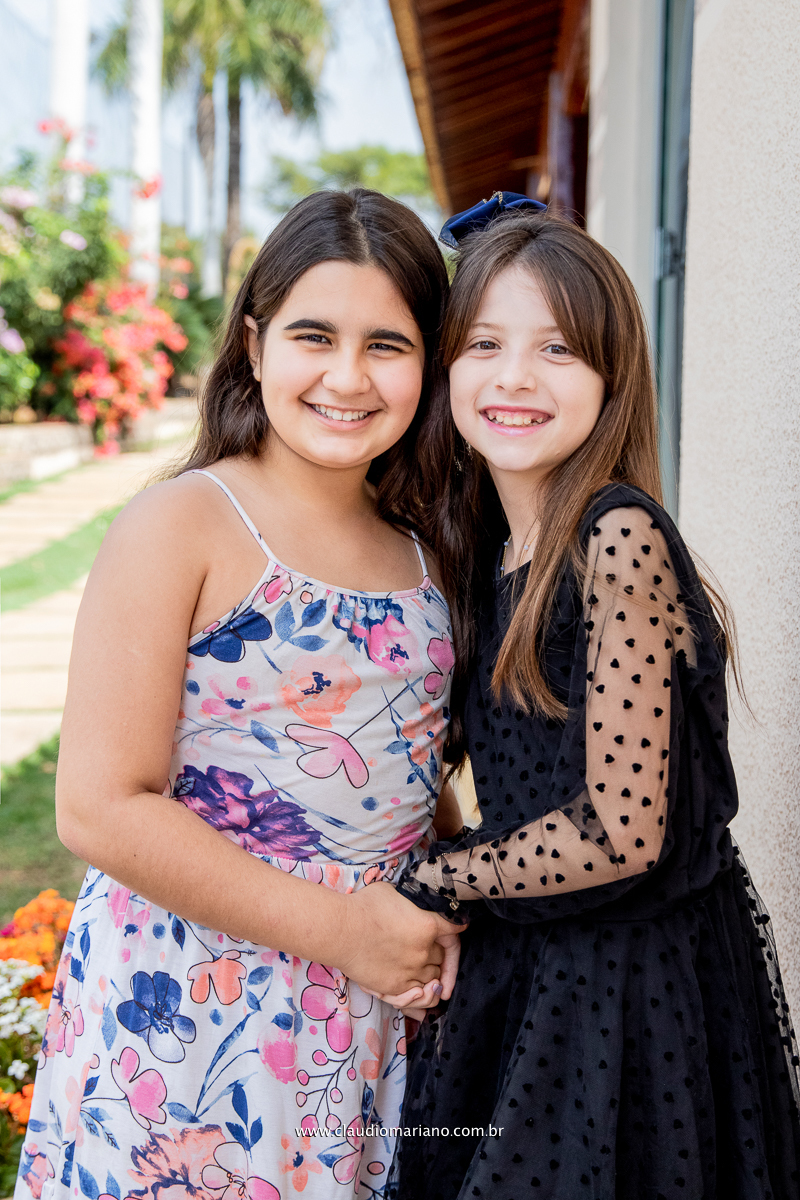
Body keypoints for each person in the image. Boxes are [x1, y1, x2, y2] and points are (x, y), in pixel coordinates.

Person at [16, 188, 465, 1200]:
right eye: (314, 336)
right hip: (189, 1016)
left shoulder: (427, 552)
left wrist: (429, 913)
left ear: (429, 363)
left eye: (387, 345)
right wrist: (347, 933)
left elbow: (403, 767)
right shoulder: (184, 525)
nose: (347, 376)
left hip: (363, 1021)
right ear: (255, 346)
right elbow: (99, 806)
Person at [388, 199, 800, 1199]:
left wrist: (431, 882)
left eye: (558, 350)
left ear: (612, 379)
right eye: (483, 344)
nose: (514, 377)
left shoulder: (616, 537)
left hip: (627, 989)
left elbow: (619, 831)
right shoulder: (489, 553)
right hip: (529, 964)